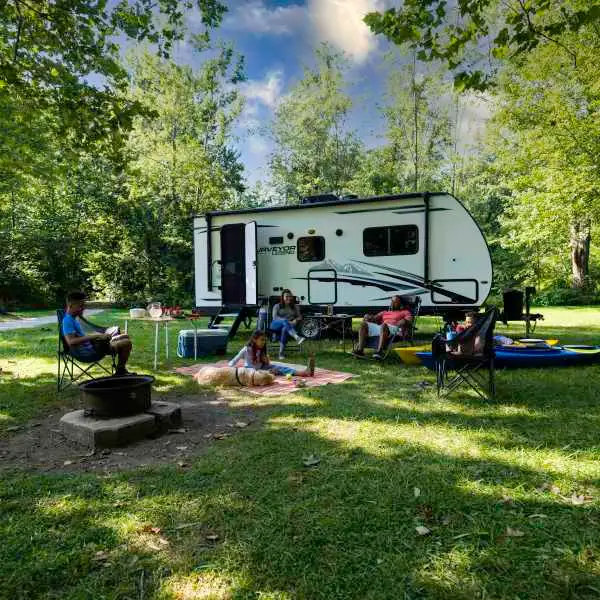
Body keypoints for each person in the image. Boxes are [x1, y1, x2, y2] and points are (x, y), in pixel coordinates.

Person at [62, 291, 133, 376]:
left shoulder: (73, 318)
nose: (83, 308)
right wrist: (95, 336)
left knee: (125, 336)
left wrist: (99, 336)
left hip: (92, 346)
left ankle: (121, 370)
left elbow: (80, 336)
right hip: (88, 352)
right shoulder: (67, 320)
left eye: (84, 305)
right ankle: (120, 371)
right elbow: (71, 341)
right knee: (127, 343)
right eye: (81, 306)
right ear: (70, 305)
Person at [229, 330, 315, 377]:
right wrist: (229, 367)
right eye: (262, 340)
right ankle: (271, 373)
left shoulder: (261, 349)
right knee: (270, 372)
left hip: (262, 367)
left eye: (265, 340)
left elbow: (267, 363)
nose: (264, 342)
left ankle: (302, 373)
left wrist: (266, 360)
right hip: (251, 371)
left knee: (280, 368)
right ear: (254, 340)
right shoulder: (246, 349)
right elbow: (236, 359)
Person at [352, 295, 413, 360]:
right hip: (382, 328)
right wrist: (368, 317)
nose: (392, 303)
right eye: (392, 301)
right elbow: (374, 318)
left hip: (395, 329)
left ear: (400, 304)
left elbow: (409, 321)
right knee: (363, 324)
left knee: (384, 325)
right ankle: (360, 350)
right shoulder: (384, 312)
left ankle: (379, 351)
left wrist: (404, 321)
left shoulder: (405, 312)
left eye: (395, 302)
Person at [271, 289, 305, 359]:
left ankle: (281, 353)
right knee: (285, 321)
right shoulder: (277, 306)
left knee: (284, 329)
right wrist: (287, 321)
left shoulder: (295, 307)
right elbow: (275, 317)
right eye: (286, 296)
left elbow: (300, 317)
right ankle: (296, 337)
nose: (288, 298)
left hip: (288, 327)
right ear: (282, 297)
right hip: (275, 325)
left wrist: (296, 319)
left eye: (290, 296)